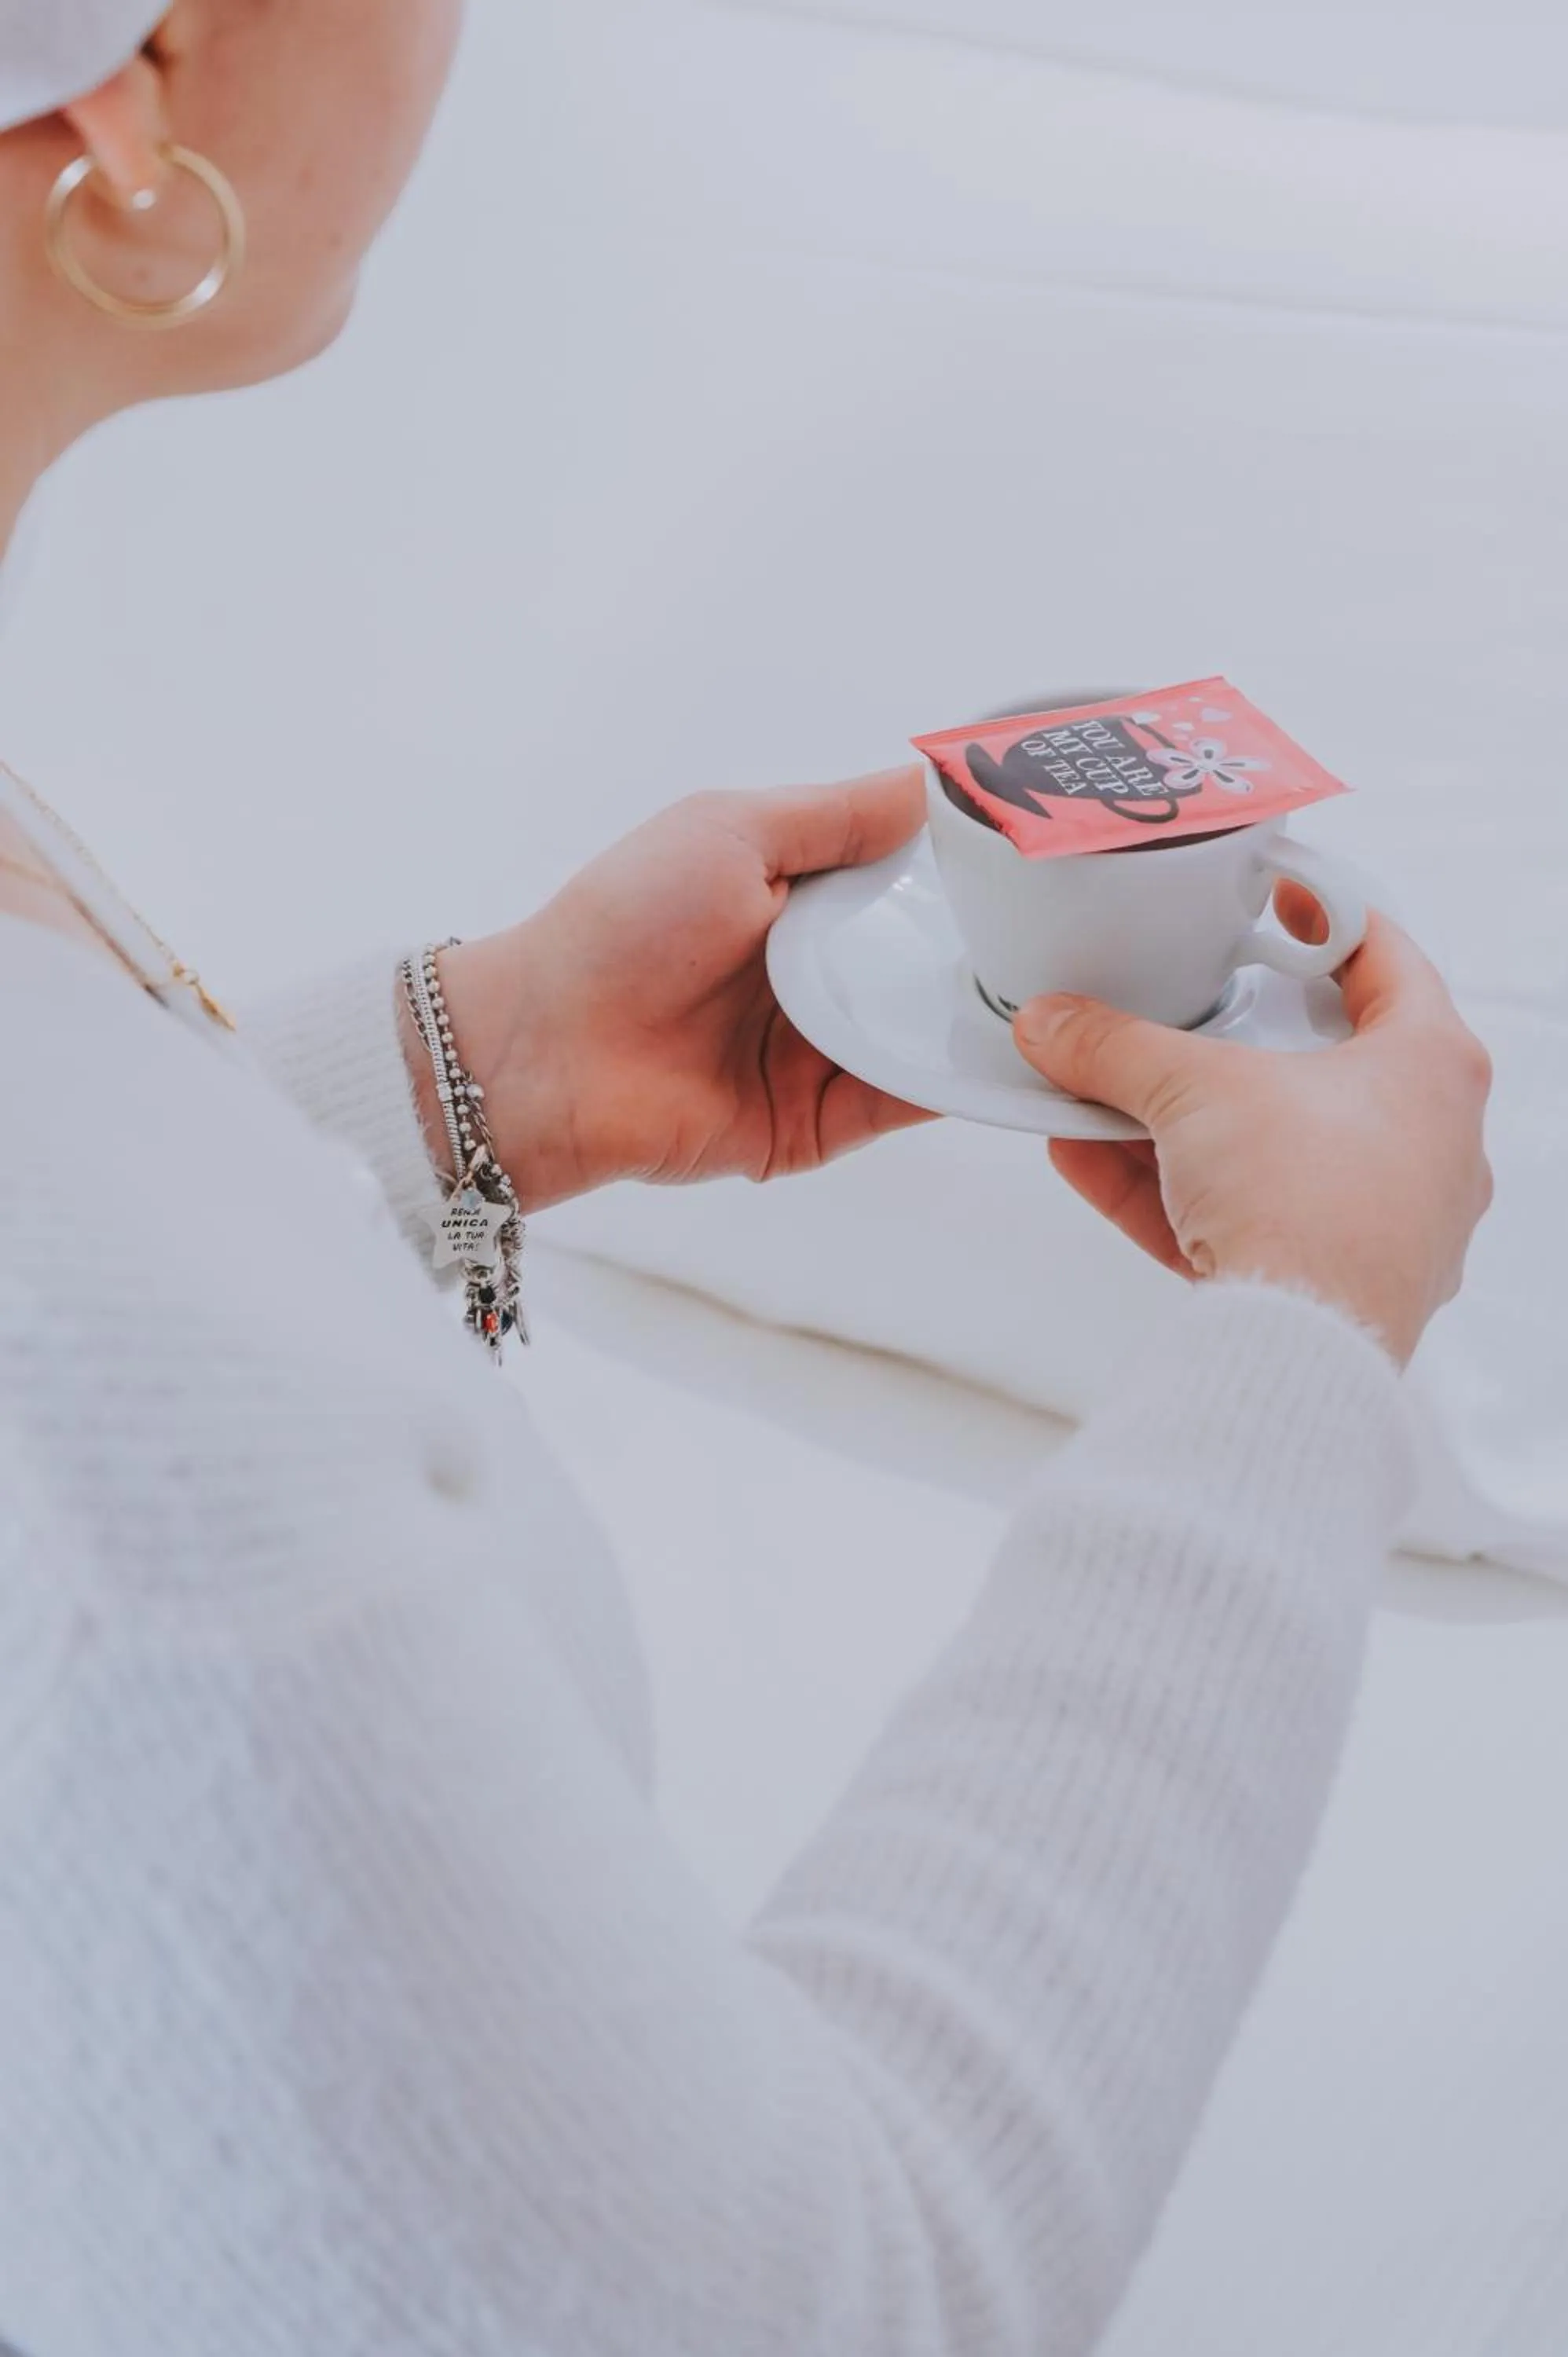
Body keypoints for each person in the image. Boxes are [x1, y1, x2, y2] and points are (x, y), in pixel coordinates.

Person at [0, 8, 1493, 2355]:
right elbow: (829, 2300)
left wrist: (461, 1075)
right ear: (131, 87)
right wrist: (1298, 1357)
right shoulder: (155, 1546)